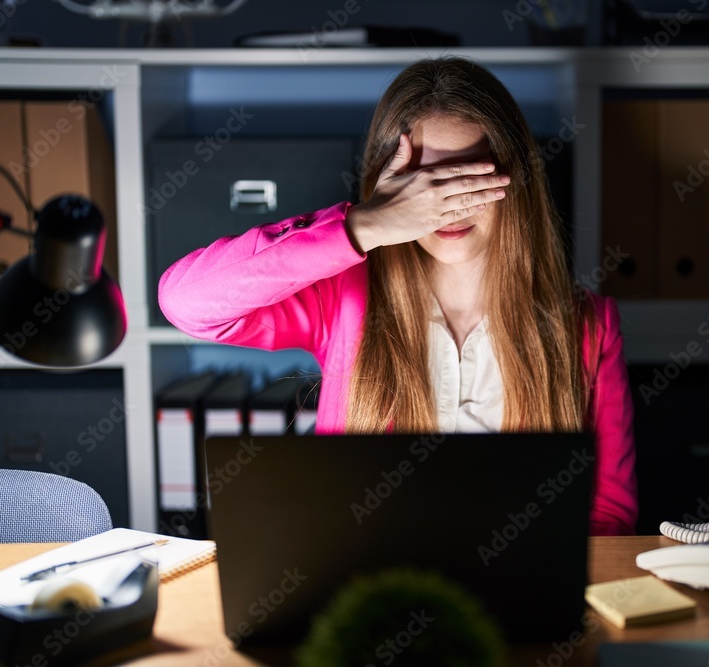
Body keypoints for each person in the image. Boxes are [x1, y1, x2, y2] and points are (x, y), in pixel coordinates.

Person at [158, 56, 637, 535]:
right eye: (424, 185)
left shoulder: (590, 326)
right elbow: (187, 303)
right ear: (390, 184)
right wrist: (366, 223)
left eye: (468, 178)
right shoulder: (342, 300)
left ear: (515, 179)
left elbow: (609, 516)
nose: (445, 205)